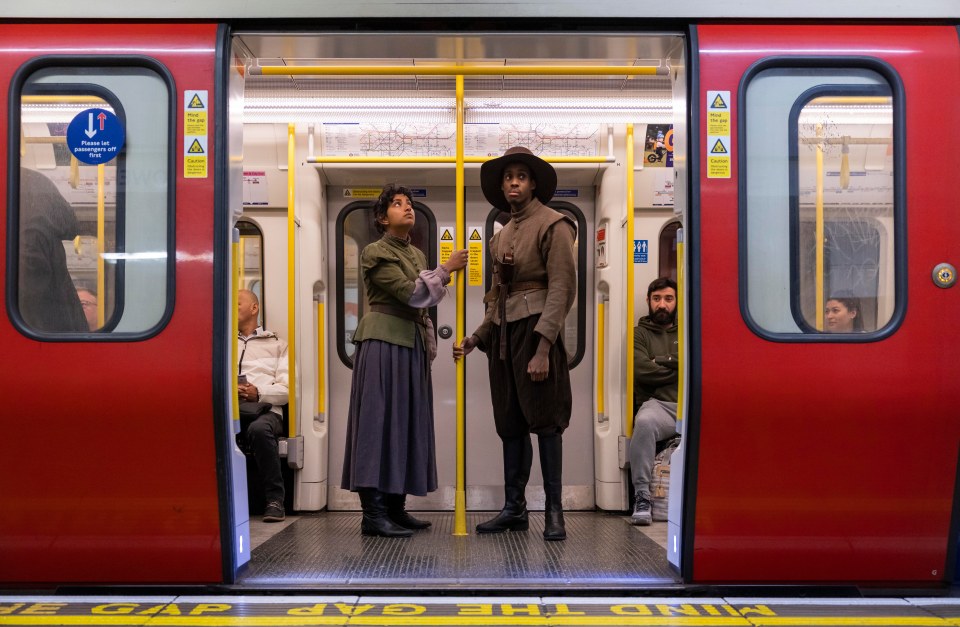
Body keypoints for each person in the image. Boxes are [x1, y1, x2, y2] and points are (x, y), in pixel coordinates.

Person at [453, 146, 577, 542]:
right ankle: (514, 509)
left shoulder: (554, 225)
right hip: (504, 337)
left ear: (533, 183)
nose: (513, 183)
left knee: (546, 424)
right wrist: (478, 337)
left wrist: (544, 348)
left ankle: (554, 512)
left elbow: (561, 289)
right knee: (510, 425)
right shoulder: (500, 235)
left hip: (536, 334)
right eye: (508, 177)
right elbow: (496, 297)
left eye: (521, 176)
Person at [341, 183, 468, 538]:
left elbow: (423, 301)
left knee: (405, 424)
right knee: (378, 424)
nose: (407, 208)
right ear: (383, 218)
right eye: (397, 204)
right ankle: (373, 514)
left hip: (410, 344)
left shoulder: (414, 254)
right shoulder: (374, 252)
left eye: (409, 203)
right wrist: (445, 269)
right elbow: (411, 293)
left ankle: (395, 509)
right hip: (383, 342)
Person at [628, 277, 679, 526]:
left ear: (677, 302)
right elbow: (642, 370)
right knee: (645, 422)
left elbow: (697, 366)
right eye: (657, 299)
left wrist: (661, 361)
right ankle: (643, 497)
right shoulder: (640, 334)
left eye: (668, 299)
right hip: (660, 405)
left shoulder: (688, 330)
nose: (662, 305)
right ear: (648, 301)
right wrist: (677, 365)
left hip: (690, 404)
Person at [237, 289, 290, 523]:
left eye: (237, 303)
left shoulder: (278, 344)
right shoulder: (224, 343)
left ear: (254, 308)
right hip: (232, 406)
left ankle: (274, 500)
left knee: (259, 430)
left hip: (266, 410)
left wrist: (258, 393)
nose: (231, 308)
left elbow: (288, 390)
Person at [18, 168, 87, 333]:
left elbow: (27, 292)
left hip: (39, 335)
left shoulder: (27, 237)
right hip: (61, 329)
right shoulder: (32, 181)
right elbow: (69, 224)